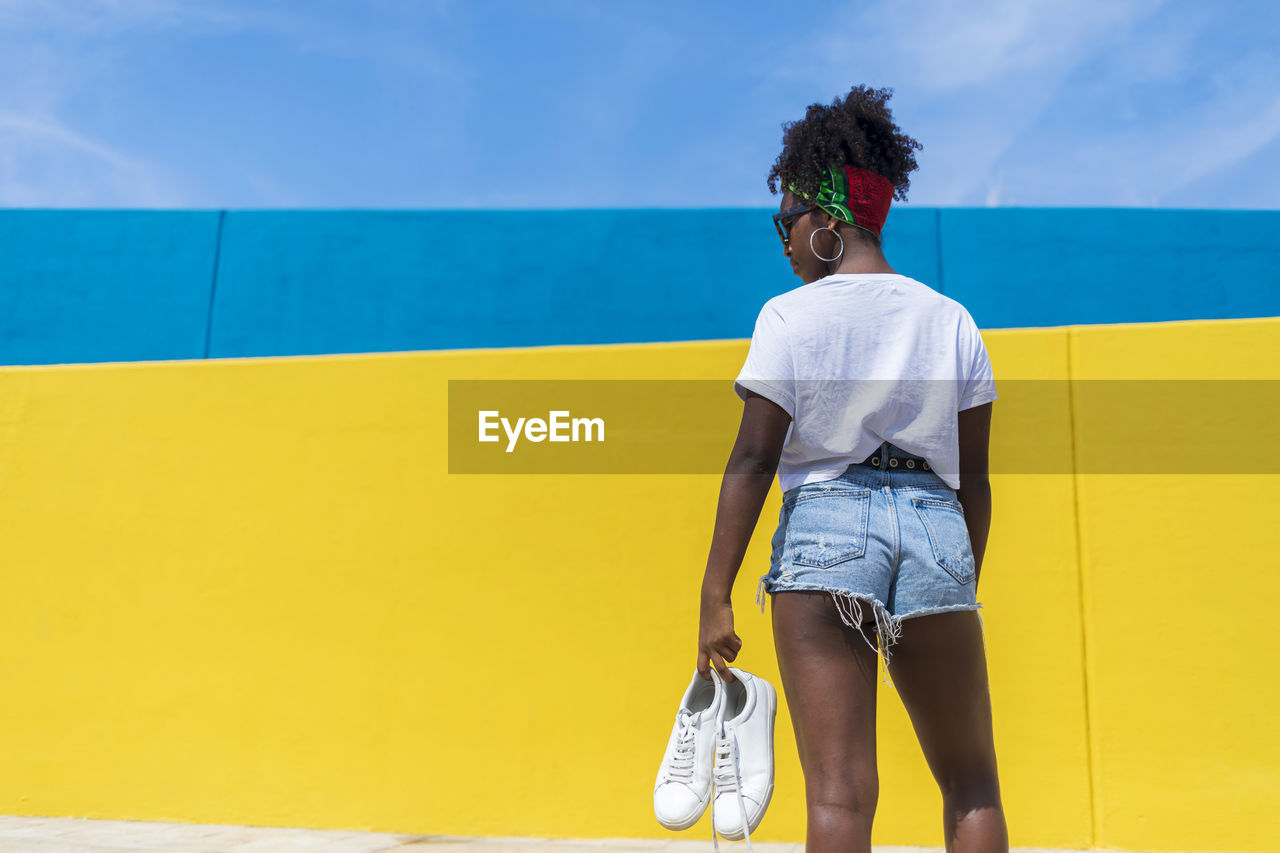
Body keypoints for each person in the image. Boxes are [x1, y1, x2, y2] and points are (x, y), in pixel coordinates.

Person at [696, 85, 1009, 852]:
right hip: (939, 532)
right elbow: (977, 477)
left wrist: (714, 592)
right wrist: (955, 574)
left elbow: (754, 456)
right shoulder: (951, 319)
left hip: (826, 532)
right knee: (971, 782)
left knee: (839, 796)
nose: (784, 240)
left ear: (830, 221)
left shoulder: (788, 316)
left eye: (788, 220)